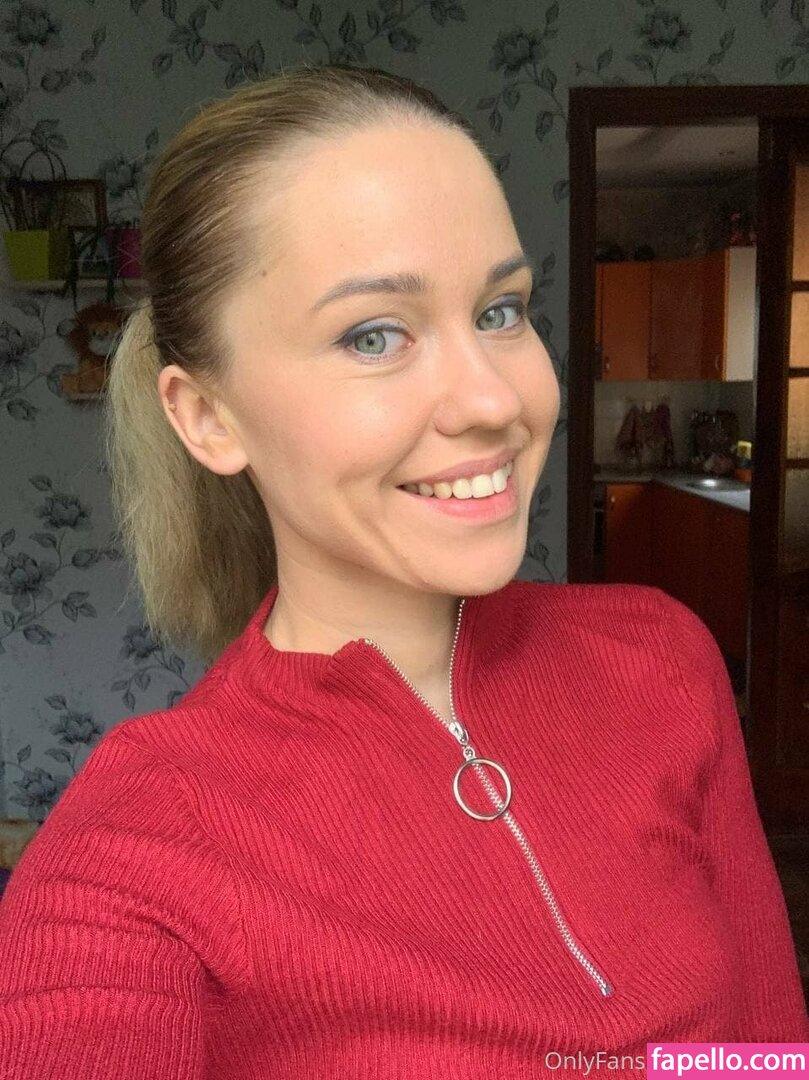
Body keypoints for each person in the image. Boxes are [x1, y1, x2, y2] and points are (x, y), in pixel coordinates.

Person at [0, 63, 806, 1078]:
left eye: (500, 311)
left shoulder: (660, 657)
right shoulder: (133, 853)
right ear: (207, 417)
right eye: (373, 335)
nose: (493, 401)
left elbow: (762, 1054)